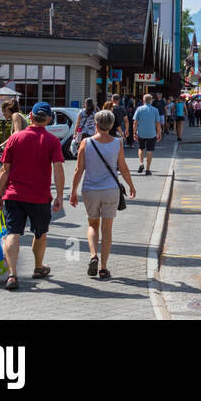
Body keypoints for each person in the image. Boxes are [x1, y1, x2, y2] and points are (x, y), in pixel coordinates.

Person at [0, 101, 66, 291]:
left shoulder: (15, 138)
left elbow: (5, 169)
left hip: (14, 195)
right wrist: (59, 196)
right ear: (49, 119)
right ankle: (37, 267)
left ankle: (12, 275)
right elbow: (58, 169)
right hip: (40, 197)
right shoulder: (53, 141)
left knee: (13, 233)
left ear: (31, 117)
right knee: (40, 232)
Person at [70, 109, 137, 280]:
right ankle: (103, 268)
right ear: (112, 125)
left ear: (96, 124)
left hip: (90, 190)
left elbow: (79, 169)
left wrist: (73, 191)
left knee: (93, 225)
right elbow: (123, 167)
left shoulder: (86, 143)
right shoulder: (118, 143)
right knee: (107, 229)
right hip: (111, 190)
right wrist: (131, 185)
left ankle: (93, 255)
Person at [134, 93, 160, 175]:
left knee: (141, 149)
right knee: (150, 151)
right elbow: (158, 123)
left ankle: (141, 164)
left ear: (143, 101)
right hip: (152, 133)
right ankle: (148, 170)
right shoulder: (155, 110)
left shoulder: (139, 109)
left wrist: (134, 133)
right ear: (151, 101)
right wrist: (159, 133)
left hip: (141, 133)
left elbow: (135, 122)